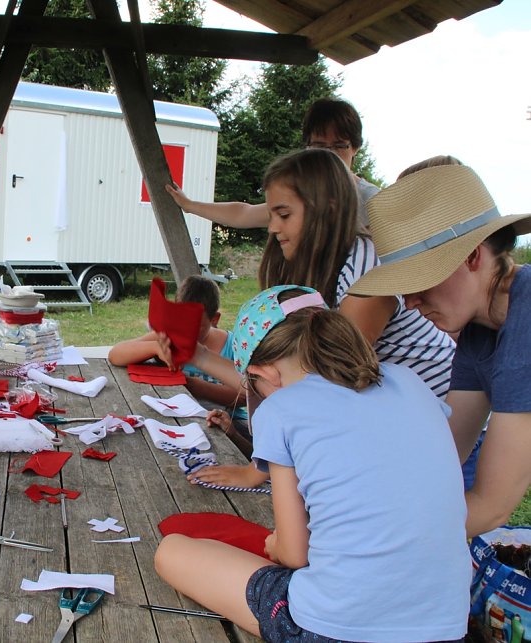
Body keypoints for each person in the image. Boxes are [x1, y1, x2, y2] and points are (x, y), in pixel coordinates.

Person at [154, 286, 470, 642]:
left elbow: (294, 553)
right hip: (446, 626)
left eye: (252, 384)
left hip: (329, 627)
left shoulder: (280, 407)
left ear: (266, 375)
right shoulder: (410, 382)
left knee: (172, 552)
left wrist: (275, 546)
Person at [189, 148, 455, 490]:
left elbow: (325, 383)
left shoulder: (366, 270)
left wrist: (260, 470)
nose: (272, 227)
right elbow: (279, 377)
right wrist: (196, 356)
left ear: (327, 207)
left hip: (438, 418)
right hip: (394, 423)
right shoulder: (319, 272)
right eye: (271, 214)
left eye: (284, 215)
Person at [348, 163, 531, 537]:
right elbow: (445, 454)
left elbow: (491, 504)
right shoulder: (481, 330)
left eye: (420, 281)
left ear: (472, 257)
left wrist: (362, 541)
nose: (411, 302)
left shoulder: (522, 331)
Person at [165, 97, 380, 229]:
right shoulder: (299, 194)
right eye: (320, 147)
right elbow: (243, 214)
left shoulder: (373, 201)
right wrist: (190, 205)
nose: (329, 156)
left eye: (339, 146)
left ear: (356, 147)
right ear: (307, 147)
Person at [107, 276, 252, 454]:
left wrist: (195, 387)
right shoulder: (169, 336)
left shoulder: (232, 346)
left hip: (227, 421)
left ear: (215, 319)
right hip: (177, 419)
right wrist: (155, 347)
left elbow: (246, 397)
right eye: (180, 323)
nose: (185, 331)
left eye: (194, 325)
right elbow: (115, 354)